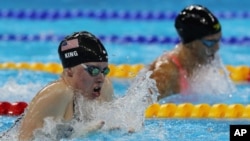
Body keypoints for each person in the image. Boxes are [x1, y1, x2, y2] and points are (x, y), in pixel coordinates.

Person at [17, 31, 114, 140]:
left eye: (105, 71)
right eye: (93, 70)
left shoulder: (105, 88)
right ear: (69, 71)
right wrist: (81, 134)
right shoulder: (58, 94)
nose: (101, 78)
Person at [148, 4, 229, 100]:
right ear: (192, 44)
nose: (217, 47)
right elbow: (146, 111)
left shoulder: (200, 63)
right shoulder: (166, 73)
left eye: (218, 40)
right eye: (210, 42)